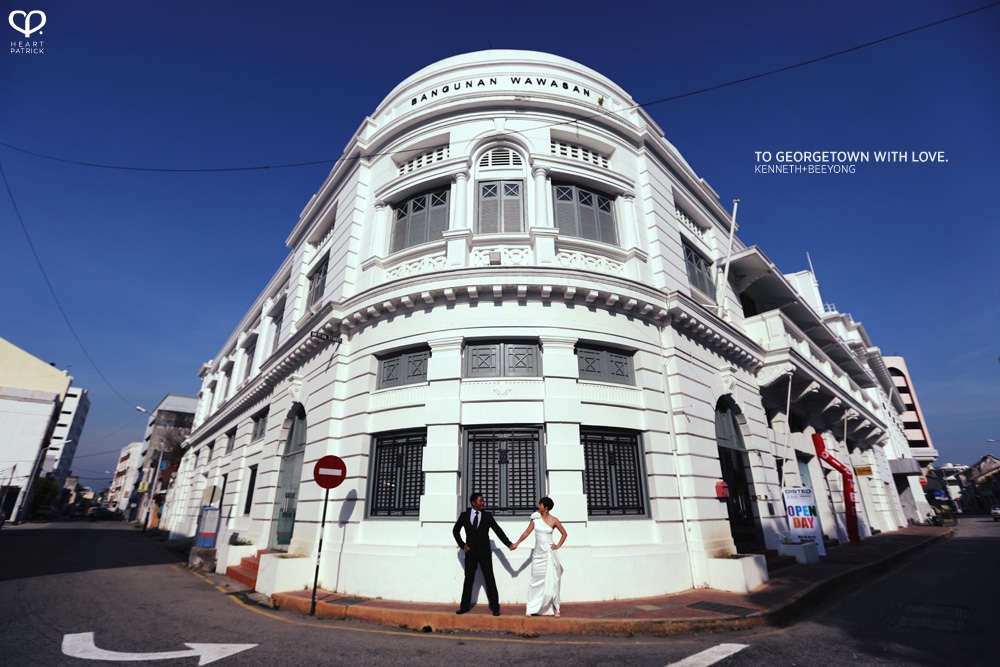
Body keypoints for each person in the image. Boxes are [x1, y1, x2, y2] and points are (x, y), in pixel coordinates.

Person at [452, 492, 512, 616]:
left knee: (489, 578)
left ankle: (495, 607)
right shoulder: (464, 516)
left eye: (483, 501)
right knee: (469, 579)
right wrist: (462, 544)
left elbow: (498, 530)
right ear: (473, 503)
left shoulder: (487, 516)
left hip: (484, 553)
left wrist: (509, 544)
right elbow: (455, 530)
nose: (483, 503)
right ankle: (464, 606)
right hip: (470, 553)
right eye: (480, 501)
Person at [510, 497, 567, 617]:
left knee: (552, 582)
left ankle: (555, 608)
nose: (538, 506)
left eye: (540, 505)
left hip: (549, 554)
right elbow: (526, 532)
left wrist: (557, 546)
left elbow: (564, 533)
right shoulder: (535, 519)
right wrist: (517, 543)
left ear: (546, 508)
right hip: (538, 554)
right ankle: (531, 607)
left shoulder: (554, 520)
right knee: (535, 581)